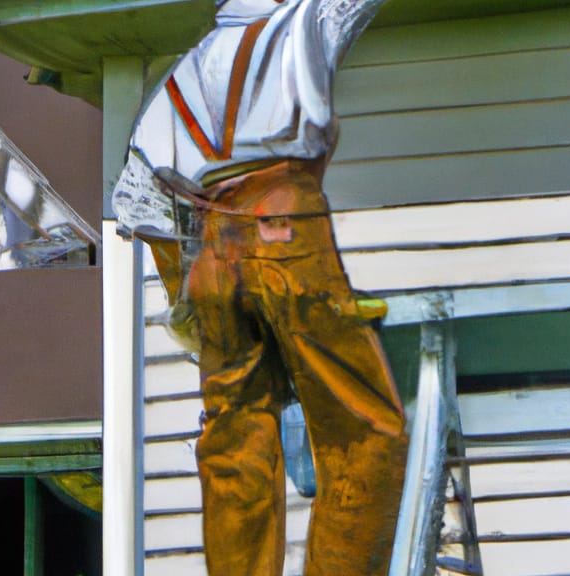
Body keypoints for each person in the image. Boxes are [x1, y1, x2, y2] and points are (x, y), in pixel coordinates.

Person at [112, 0, 408, 574]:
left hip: (210, 255)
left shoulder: (182, 76)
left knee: (234, 446)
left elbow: (136, 203)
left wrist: (190, 301)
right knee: (364, 429)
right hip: (285, 227)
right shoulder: (307, 18)